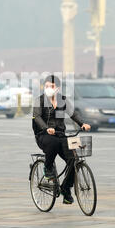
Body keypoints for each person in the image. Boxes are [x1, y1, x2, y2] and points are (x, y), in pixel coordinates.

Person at [32, 75, 91, 204]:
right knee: (52, 143)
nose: (48, 88)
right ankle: (48, 168)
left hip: (60, 134)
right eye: (46, 86)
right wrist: (46, 128)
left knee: (74, 160)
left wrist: (82, 124)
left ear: (57, 88)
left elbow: (72, 113)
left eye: (51, 86)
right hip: (44, 135)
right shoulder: (39, 101)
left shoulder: (63, 100)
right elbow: (37, 117)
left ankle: (65, 188)